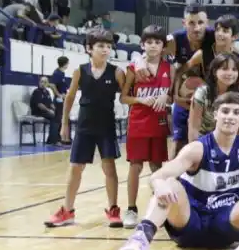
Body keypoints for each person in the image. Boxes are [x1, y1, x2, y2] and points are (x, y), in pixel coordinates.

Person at [115, 92, 239, 250]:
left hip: (227, 223)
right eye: (225, 111)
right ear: (215, 114)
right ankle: (139, 242)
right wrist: (160, 184)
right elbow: (157, 176)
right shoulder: (197, 149)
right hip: (192, 222)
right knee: (170, 183)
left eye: (235, 112)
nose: (230, 116)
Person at [45, 29, 126, 227]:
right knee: (75, 168)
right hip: (84, 125)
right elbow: (70, 98)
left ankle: (113, 209)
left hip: (106, 125)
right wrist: (64, 124)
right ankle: (67, 211)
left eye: (108, 46)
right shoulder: (80, 71)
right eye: (100, 46)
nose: (105, 50)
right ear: (89, 49)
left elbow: (126, 98)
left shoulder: (117, 72)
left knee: (109, 167)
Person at [136, 4, 215, 156]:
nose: (197, 28)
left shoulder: (215, 37)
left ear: (207, 22)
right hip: (184, 96)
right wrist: (138, 59)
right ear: (184, 23)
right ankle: (172, 178)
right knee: (179, 142)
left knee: (209, 143)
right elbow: (148, 51)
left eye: (200, 22)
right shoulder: (175, 39)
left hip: (209, 98)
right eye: (191, 23)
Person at [120, 25, 172, 229]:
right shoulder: (134, 68)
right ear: (142, 45)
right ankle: (131, 209)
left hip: (159, 122)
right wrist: (142, 101)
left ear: (163, 46)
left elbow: (172, 95)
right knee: (135, 165)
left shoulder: (169, 68)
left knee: (157, 166)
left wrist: (164, 96)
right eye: (149, 42)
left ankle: (157, 206)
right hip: (138, 122)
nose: (153, 46)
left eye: (157, 42)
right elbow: (124, 98)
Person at [188, 53, 239, 142]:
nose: (230, 73)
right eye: (224, 69)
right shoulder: (202, 92)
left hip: (229, 142)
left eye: (234, 69)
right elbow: (193, 127)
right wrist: (195, 150)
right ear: (215, 71)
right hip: (204, 141)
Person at [29, 76, 59, 145]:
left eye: (45, 82)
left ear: (47, 83)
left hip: (45, 111)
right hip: (38, 112)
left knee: (59, 116)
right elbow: (40, 105)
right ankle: (53, 140)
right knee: (53, 116)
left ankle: (52, 139)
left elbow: (51, 103)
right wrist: (49, 111)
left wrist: (56, 110)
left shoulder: (47, 92)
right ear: (39, 83)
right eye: (41, 81)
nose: (43, 83)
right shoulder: (37, 92)